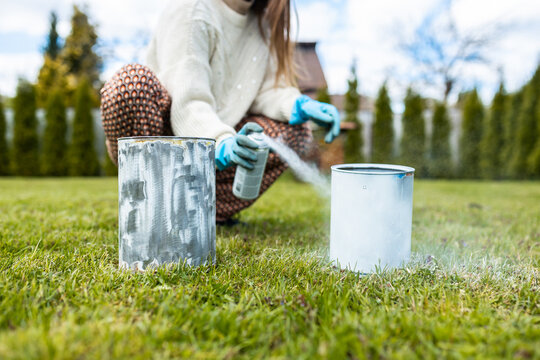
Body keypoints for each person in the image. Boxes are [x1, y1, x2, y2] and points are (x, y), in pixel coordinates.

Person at [100, 0, 340, 224]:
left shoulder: (261, 26)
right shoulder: (193, 10)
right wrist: (220, 140)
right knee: (129, 84)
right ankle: (147, 206)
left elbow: (264, 91)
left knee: (295, 131)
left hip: (217, 147)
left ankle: (204, 211)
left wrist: (296, 105)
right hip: (164, 141)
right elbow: (187, 101)